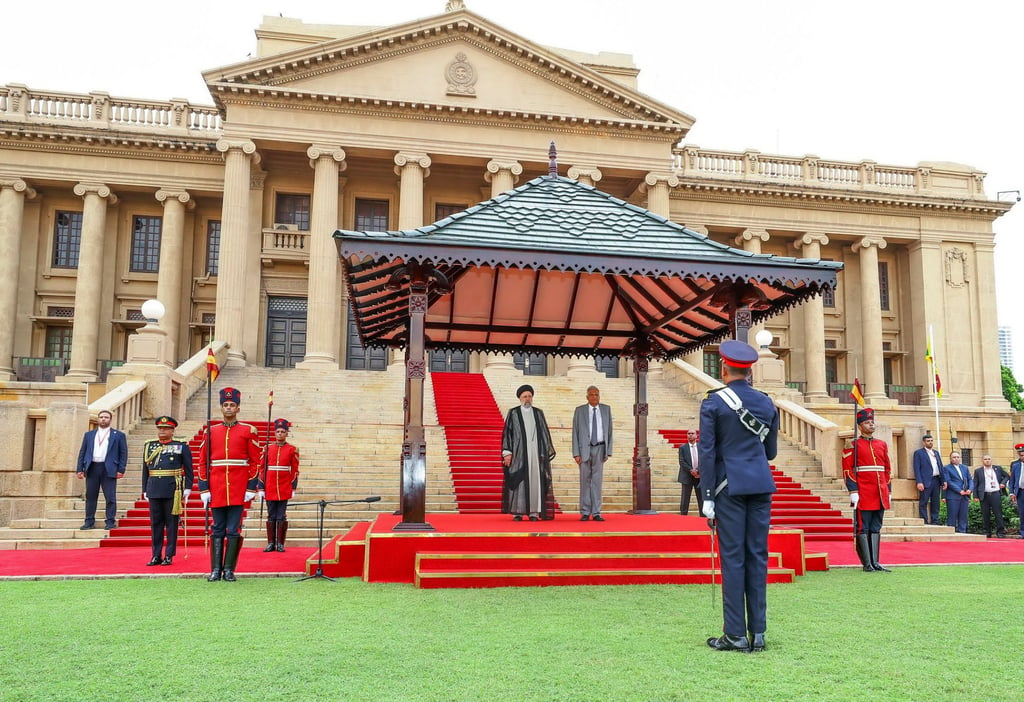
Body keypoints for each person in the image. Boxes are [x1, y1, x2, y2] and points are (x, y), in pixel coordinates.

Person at [699, 340, 778, 653]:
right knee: (757, 557)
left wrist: (706, 495)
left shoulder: (714, 403)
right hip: (760, 485)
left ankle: (735, 634)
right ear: (749, 370)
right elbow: (769, 452)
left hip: (728, 489)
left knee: (732, 559)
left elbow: (707, 452)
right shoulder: (766, 402)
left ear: (723, 368)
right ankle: (758, 633)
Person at [198, 387, 261, 581]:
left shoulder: (247, 431)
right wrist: (204, 488)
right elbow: (203, 461)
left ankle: (229, 570)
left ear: (238, 408)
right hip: (216, 485)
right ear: (221, 407)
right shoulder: (211, 431)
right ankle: (215, 570)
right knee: (217, 527)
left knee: (233, 529)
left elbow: (255, 460)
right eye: (225, 405)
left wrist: (251, 487)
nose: (228, 408)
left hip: (238, 486)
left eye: (232, 405)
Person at [844, 407, 892, 573]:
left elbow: (886, 468)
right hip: (863, 491)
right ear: (859, 426)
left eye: (872, 422)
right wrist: (853, 491)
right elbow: (847, 469)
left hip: (880, 491)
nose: (871, 425)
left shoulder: (881, 444)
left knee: (876, 527)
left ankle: (876, 562)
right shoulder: (852, 444)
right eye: (867, 422)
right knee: (862, 527)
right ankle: (867, 563)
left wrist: (888, 490)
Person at [141, 416, 194, 566]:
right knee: (156, 523)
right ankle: (156, 554)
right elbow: (145, 469)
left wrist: (188, 487)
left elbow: (189, 469)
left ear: (172, 430)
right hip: (154, 488)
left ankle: (169, 554)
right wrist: (144, 488)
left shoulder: (180, 446)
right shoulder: (149, 446)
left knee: (171, 524)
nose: (162, 431)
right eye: (160, 428)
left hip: (173, 489)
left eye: (166, 429)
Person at [501, 384, 556, 522]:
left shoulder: (538, 413)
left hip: (536, 454)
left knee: (535, 482)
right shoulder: (513, 413)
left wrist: (544, 451)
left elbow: (544, 433)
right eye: (525, 396)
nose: (527, 399)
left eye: (529, 396)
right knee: (519, 481)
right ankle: (518, 512)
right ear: (520, 398)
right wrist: (507, 452)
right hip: (519, 454)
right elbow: (508, 433)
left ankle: (533, 512)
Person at [75, 409, 129, 530]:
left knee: (110, 497)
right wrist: (80, 468)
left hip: (108, 468)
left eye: (106, 417)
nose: (103, 419)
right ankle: (89, 521)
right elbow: (82, 452)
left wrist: (121, 469)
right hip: (92, 467)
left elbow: (123, 453)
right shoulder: (89, 435)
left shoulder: (118, 435)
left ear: (110, 420)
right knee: (91, 496)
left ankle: (110, 521)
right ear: (98, 419)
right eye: (101, 417)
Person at [571, 385, 612, 522]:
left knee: (597, 482)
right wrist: (576, 453)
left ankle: (596, 512)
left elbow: (610, 431)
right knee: (585, 481)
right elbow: (575, 433)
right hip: (584, 450)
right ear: (587, 397)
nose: (595, 397)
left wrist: (608, 450)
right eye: (592, 395)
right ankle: (584, 511)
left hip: (600, 448)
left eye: (597, 395)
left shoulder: (606, 410)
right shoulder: (580, 411)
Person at [259, 418, 300, 552]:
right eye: (278, 431)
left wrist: (293, 487)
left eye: (283, 431)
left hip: (284, 486)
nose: (280, 434)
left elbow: (294, 469)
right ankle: (271, 543)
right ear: (274, 433)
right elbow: (261, 468)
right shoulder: (267, 448)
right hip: (270, 485)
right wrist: (261, 486)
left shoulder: (292, 449)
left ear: (287, 433)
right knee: (271, 514)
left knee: (281, 515)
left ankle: (280, 543)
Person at [972, 454, 1009, 538]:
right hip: (984, 495)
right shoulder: (978, 471)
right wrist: (975, 496)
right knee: (985, 514)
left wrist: (1003, 483)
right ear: (982, 461)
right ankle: (987, 532)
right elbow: (976, 484)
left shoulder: (997, 468)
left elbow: (1007, 476)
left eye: (989, 459)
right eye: (985, 459)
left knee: (998, 514)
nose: (987, 460)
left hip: (995, 493)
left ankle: (1000, 532)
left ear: (991, 460)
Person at [912, 434, 945, 524]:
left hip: (936, 480)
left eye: (931, 440)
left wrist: (944, 480)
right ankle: (924, 521)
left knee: (936, 502)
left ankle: (935, 521)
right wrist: (919, 482)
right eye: (928, 441)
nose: (930, 442)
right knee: (924, 501)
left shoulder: (936, 453)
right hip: (925, 481)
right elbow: (917, 468)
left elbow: (940, 467)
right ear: (924, 443)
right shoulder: (919, 453)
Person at [942, 451, 973, 534]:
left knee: (963, 516)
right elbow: (948, 481)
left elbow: (970, 479)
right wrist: (959, 491)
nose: (956, 459)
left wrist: (970, 489)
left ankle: (962, 532)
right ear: (950, 459)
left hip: (965, 496)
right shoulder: (946, 468)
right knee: (952, 516)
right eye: (954, 457)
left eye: (958, 457)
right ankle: (951, 533)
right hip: (953, 496)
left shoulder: (964, 467)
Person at [677, 429, 703, 516]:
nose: (690, 435)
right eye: (688, 433)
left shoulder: (701, 447)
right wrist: (691, 470)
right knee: (685, 498)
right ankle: (683, 516)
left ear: (696, 435)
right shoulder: (683, 447)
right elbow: (682, 461)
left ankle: (703, 516)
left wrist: (698, 470)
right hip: (687, 476)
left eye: (692, 433)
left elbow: (704, 460)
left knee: (701, 498)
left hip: (699, 476)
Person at [1010, 444, 1024, 539]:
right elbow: (1012, 481)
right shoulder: (1015, 465)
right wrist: (1011, 492)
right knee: (1022, 513)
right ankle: (1023, 533)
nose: (1022, 457)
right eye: (1021, 455)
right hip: (1020, 492)